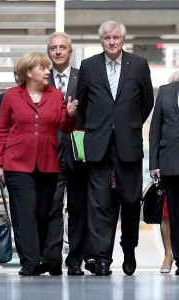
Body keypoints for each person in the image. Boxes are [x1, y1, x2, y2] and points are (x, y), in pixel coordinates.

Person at [76, 20, 154, 276]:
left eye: (116, 38)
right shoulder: (89, 66)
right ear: (101, 40)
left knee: (130, 201)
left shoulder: (139, 65)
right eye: (107, 38)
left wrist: (128, 124)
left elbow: (146, 102)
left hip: (128, 144)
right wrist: (99, 127)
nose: (112, 42)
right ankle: (102, 259)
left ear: (123, 39)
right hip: (98, 145)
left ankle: (129, 248)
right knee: (100, 204)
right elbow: (83, 104)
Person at [0, 51, 77, 276]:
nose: (48, 71)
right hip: (17, 163)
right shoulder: (11, 96)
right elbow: (1, 130)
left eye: (47, 68)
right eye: (42, 68)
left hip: (48, 163)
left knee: (43, 212)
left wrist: (69, 115)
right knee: (24, 213)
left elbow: (65, 127)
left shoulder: (56, 95)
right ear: (29, 72)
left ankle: (44, 257)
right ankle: (30, 262)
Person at [44, 32, 89, 276]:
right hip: (50, 151)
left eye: (63, 47)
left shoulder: (83, 77)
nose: (58, 51)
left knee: (78, 207)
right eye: (53, 48)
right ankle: (51, 259)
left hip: (78, 151)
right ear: (48, 52)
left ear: (70, 51)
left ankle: (75, 260)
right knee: (51, 205)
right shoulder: (41, 78)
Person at [150, 70, 179, 275]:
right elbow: (156, 128)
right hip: (171, 161)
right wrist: (154, 163)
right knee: (175, 214)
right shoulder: (165, 92)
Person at [0, 62, 20, 178]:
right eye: (15, 73)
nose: (17, 77)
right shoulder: (3, 98)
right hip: (11, 160)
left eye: (20, 73)